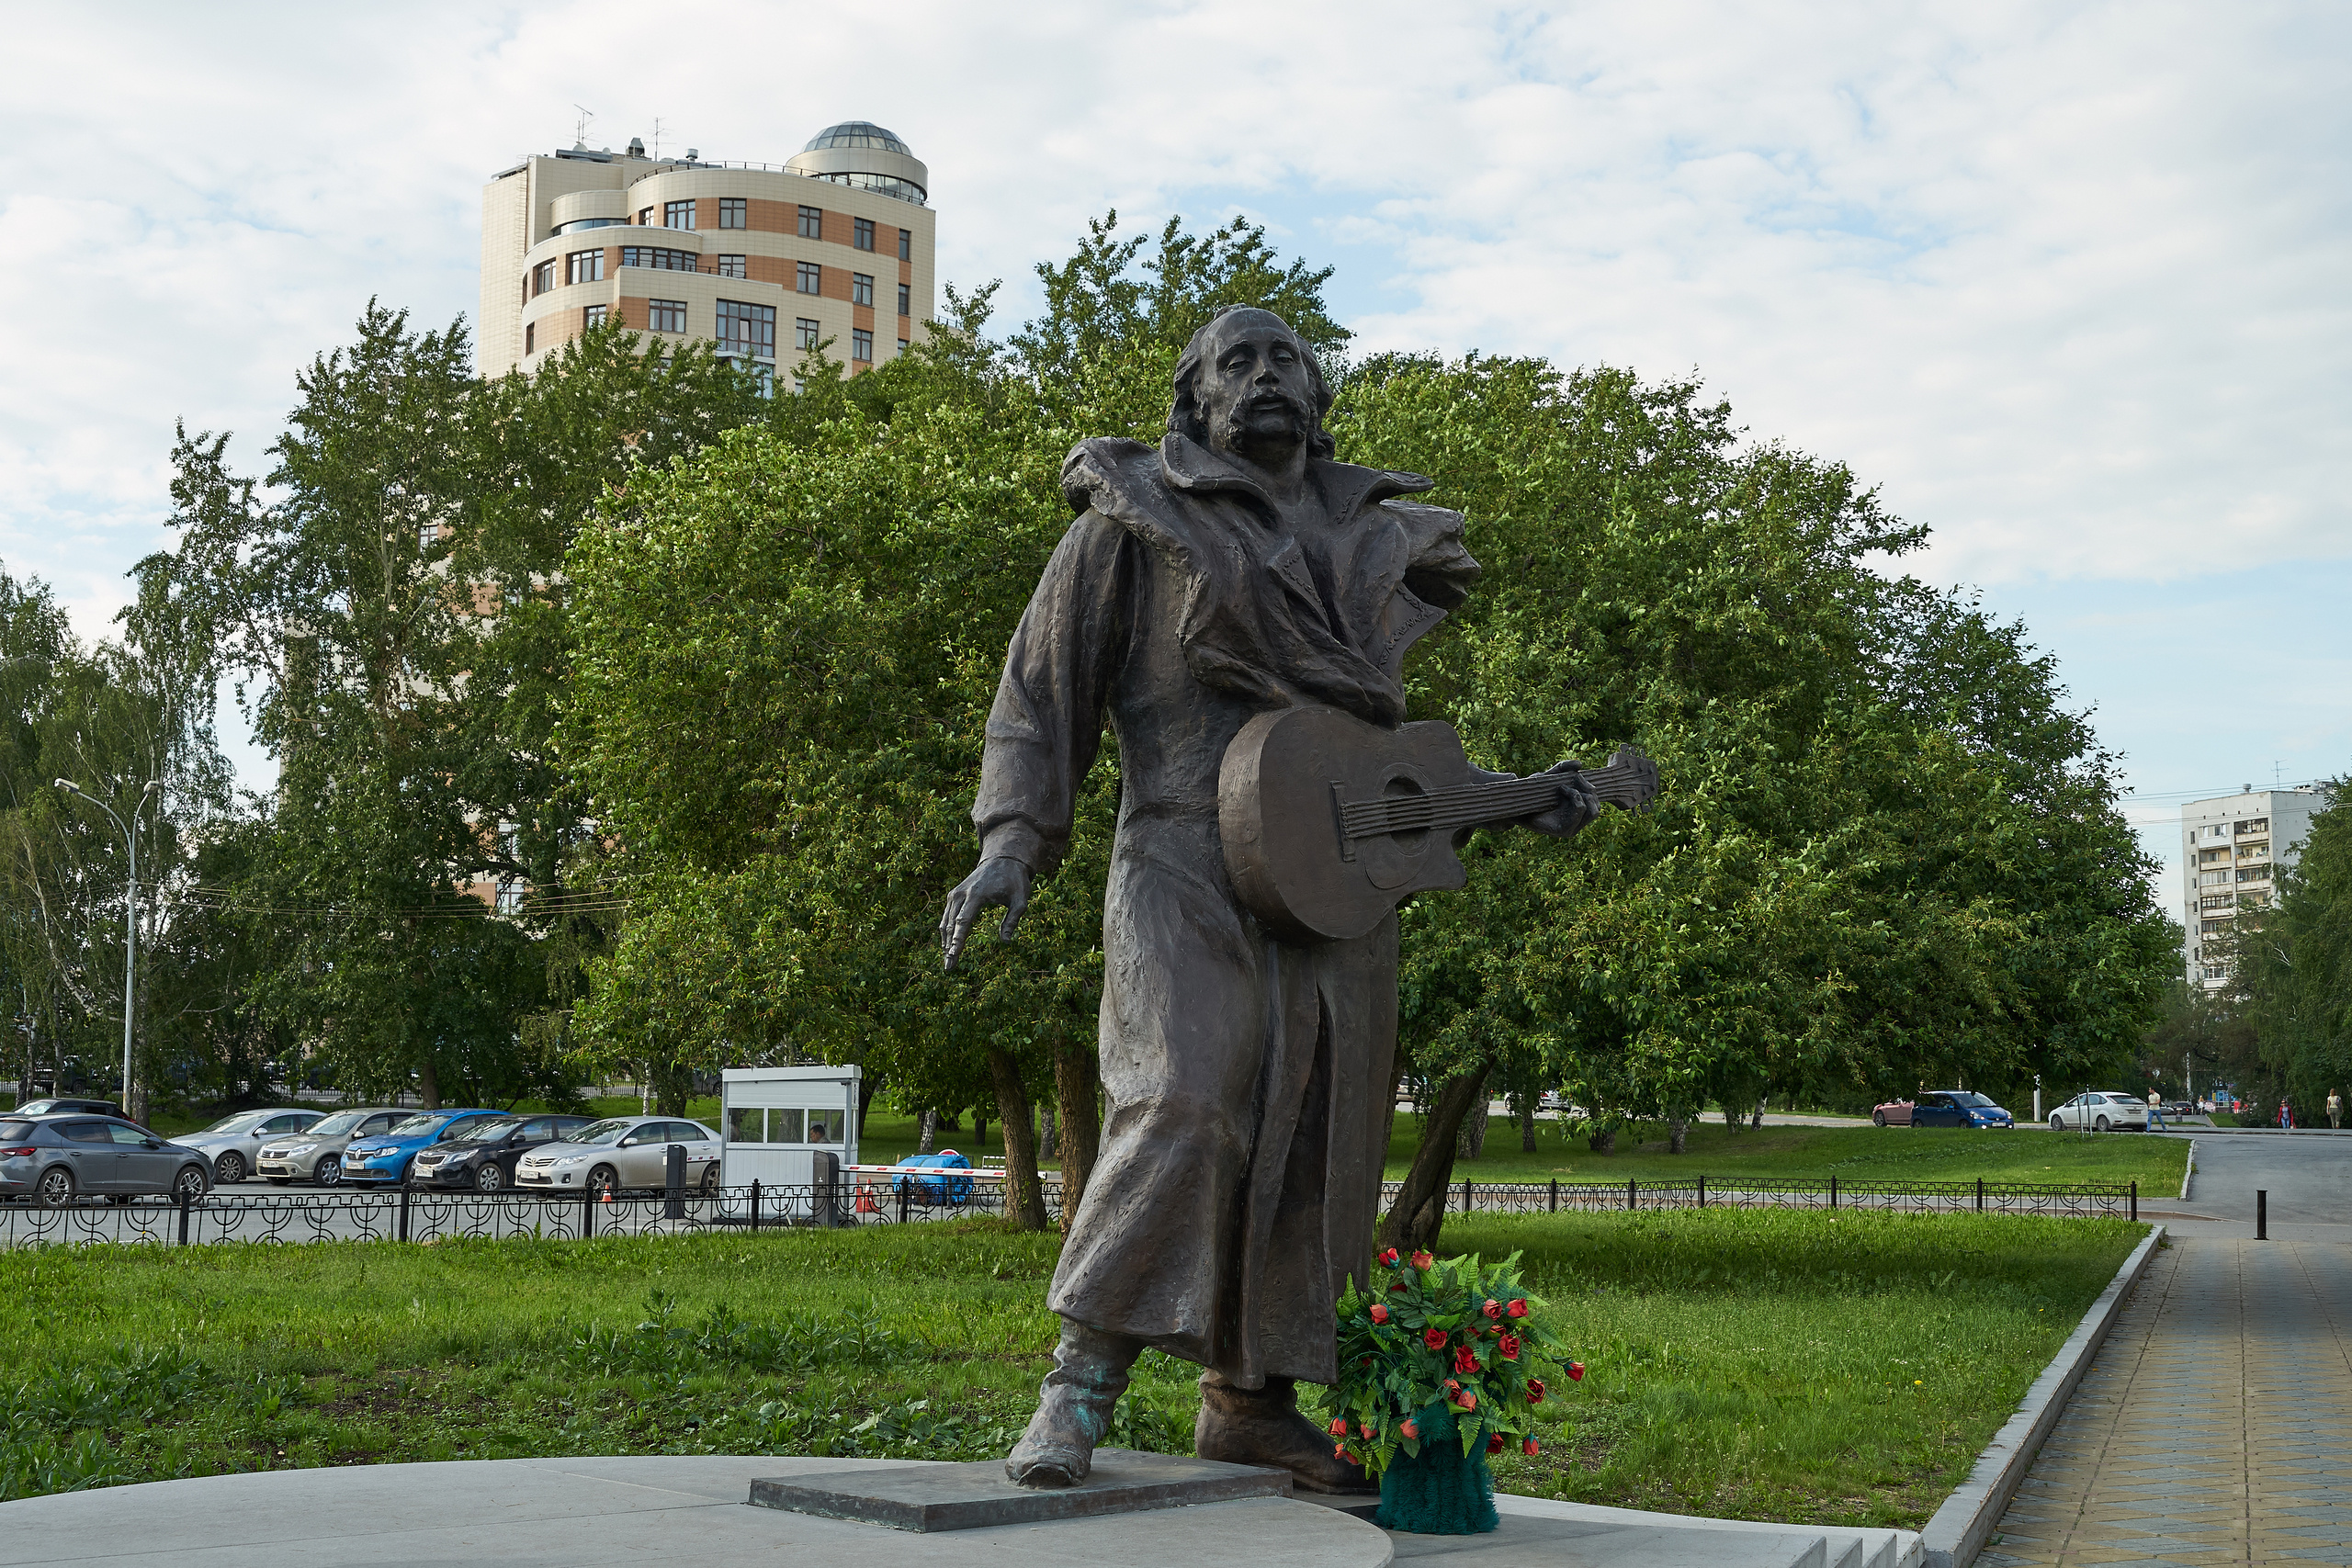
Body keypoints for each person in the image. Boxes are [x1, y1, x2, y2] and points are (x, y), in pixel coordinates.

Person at [939, 307, 1601, 1493]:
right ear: (1194, 400)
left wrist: (1501, 799)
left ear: (1321, 390)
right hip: (1180, 853)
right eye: (1234, 362)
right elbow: (1041, 695)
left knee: (1319, 1140)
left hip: (1327, 869)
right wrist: (1011, 844)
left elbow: (1363, 752)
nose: (1264, 377)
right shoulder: (1133, 522)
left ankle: (1250, 1403)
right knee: (1182, 1100)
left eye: (1285, 358)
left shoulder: (1381, 542)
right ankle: (1078, 1384)